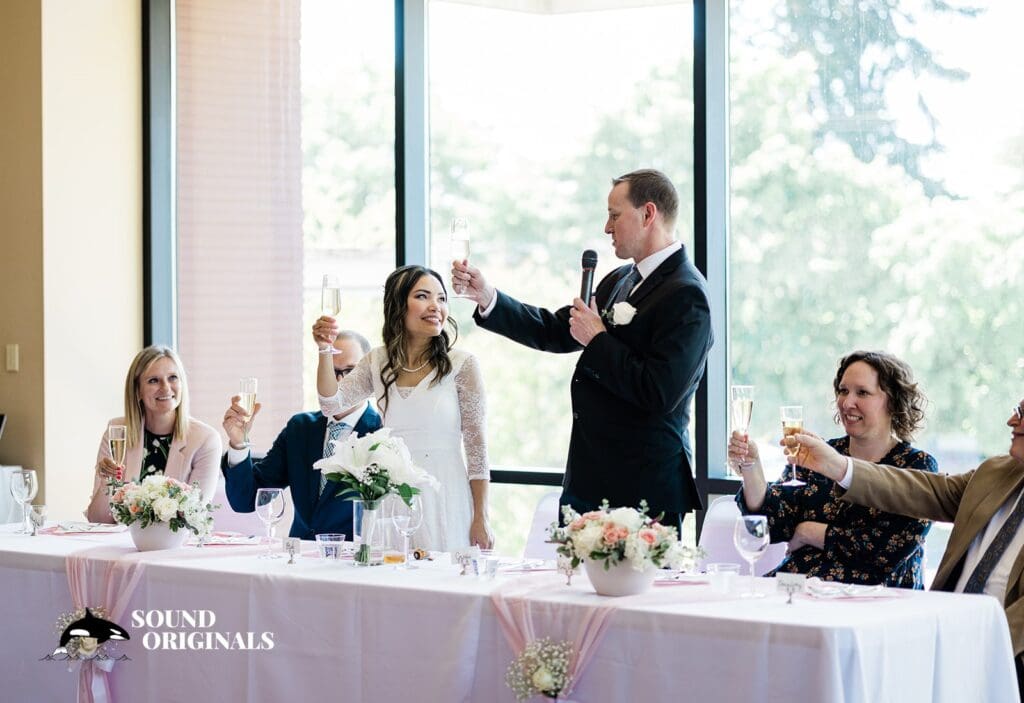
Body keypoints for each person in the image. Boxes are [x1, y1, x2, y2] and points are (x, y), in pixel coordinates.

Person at [451, 169, 712, 529]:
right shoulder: (620, 279)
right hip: (588, 482)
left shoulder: (687, 294)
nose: (607, 228)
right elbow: (557, 330)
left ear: (648, 214)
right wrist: (488, 297)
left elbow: (660, 391)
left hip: (644, 491)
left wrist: (599, 339)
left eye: (615, 215)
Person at [792, 398, 1024, 692]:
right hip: (943, 641)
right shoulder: (997, 472)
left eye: (1022, 413)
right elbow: (925, 490)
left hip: (1005, 660)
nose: (1011, 421)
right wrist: (839, 466)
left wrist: (985, 645)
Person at [314, 265, 493, 551]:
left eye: (442, 298)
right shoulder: (377, 361)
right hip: (393, 494)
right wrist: (325, 349)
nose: (436, 306)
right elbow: (330, 403)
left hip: (445, 492)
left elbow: (477, 449)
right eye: (423, 296)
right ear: (399, 305)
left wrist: (481, 517)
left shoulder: (463, 364)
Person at [729, 351, 938, 587]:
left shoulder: (916, 466)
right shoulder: (822, 452)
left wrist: (810, 531)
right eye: (843, 390)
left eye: (862, 392)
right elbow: (770, 524)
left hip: (870, 599)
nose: (847, 403)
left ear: (893, 401)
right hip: (796, 587)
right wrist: (751, 465)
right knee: (730, 603)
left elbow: (883, 553)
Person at [221, 331, 383, 540]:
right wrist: (238, 443)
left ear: (368, 375)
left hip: (353, 561)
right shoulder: (300, 428)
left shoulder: (382, 431)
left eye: (350, 371)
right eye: (332, 371)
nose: (339, 381)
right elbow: (245, 500)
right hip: (299, 558)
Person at [86, 346, 221, 522]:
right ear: (137, 391)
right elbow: (98, 521)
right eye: (153, 381)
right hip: (120, 545)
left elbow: (193, 516)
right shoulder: (117, 431)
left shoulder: (205, 440)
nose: (166, 388)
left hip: (174, 546)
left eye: (173, 378)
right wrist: (106, 482)